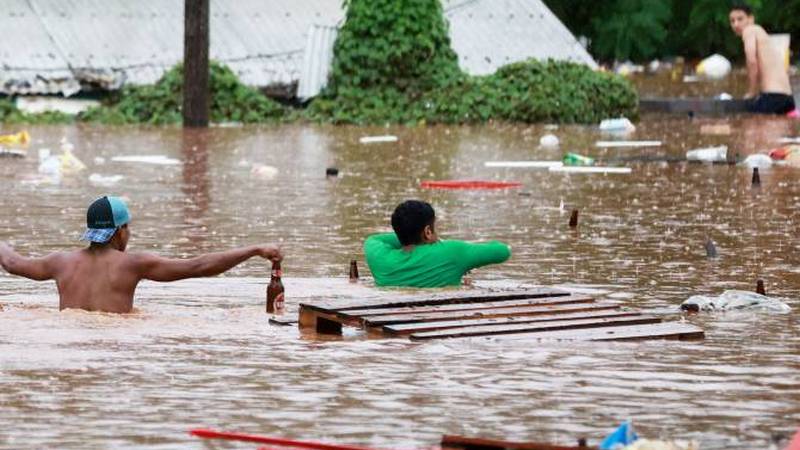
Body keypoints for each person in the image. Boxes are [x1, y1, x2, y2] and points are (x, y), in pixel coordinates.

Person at [0, 196, 282, 314]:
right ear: (119, 232)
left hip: (67, 341)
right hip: (116, 346)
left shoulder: (60, 262)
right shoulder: (133, 264)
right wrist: (254, 249)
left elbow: (12, 263)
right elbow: (198, 266)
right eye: (128, 228)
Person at [364, 200, 510, 287]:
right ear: (428, 231)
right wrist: (440, 242)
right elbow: (503, 251)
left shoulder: (378, 256)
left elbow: (375, 239)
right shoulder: (452, 252)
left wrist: (405, 234)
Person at [729, 3, 795, 114]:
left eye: (740, 19)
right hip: (787, 98)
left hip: (773, 97)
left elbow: (752, 61)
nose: (736, 24)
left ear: (751, 19)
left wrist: (751, 92)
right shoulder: (762, 35)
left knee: (745, 123)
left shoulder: (749, 30)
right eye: (732, 21)